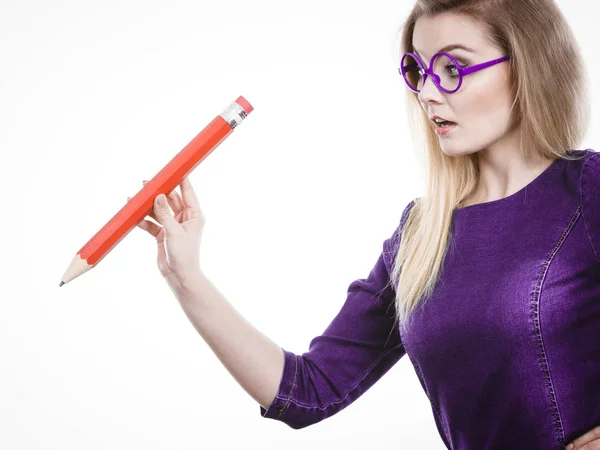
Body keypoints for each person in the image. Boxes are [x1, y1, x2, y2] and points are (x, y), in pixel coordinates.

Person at [129, 0, 600, 448]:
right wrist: (185, 276)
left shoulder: (588, 189)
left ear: (526, 67)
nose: (428, 94)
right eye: (419, 70)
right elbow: (308, 392)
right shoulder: (422, 234)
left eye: (454, 69)